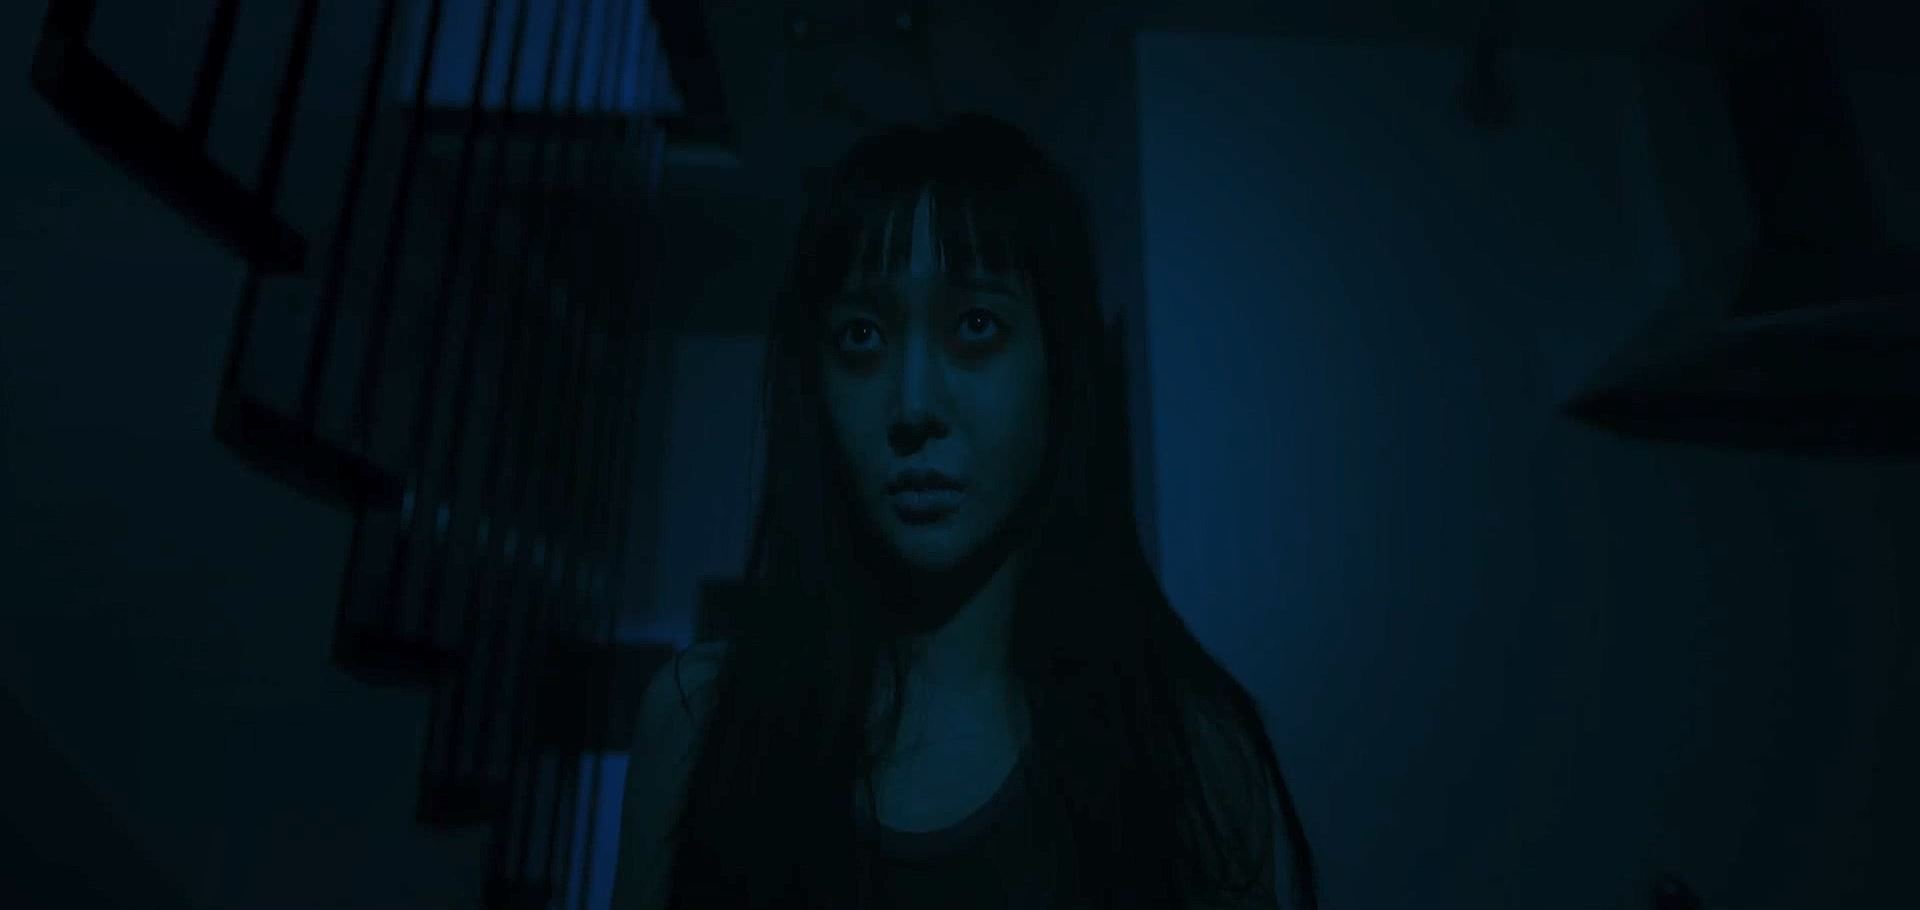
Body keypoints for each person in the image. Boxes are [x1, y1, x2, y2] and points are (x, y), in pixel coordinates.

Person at [612, 112, 1317, 910]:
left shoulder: (1190, 758)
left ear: (1059, 368)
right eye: (862, 335)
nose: (913, 403)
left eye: (976, 326)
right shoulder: (695, 727)